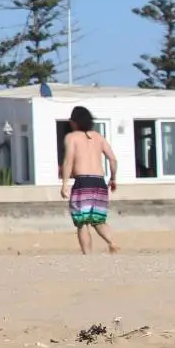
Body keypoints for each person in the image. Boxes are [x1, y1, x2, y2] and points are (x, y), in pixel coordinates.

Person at [60, 106, 120, 254]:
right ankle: (112, 242)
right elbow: (112, 159)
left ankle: (88, 256)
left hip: (82, 182)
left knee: (82, 222)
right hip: (99, 182)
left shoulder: (71, 137)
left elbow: (68, 161)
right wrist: (113, 178)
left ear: (74, 122)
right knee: (98, 219)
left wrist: (64, 183)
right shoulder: (98, 137)